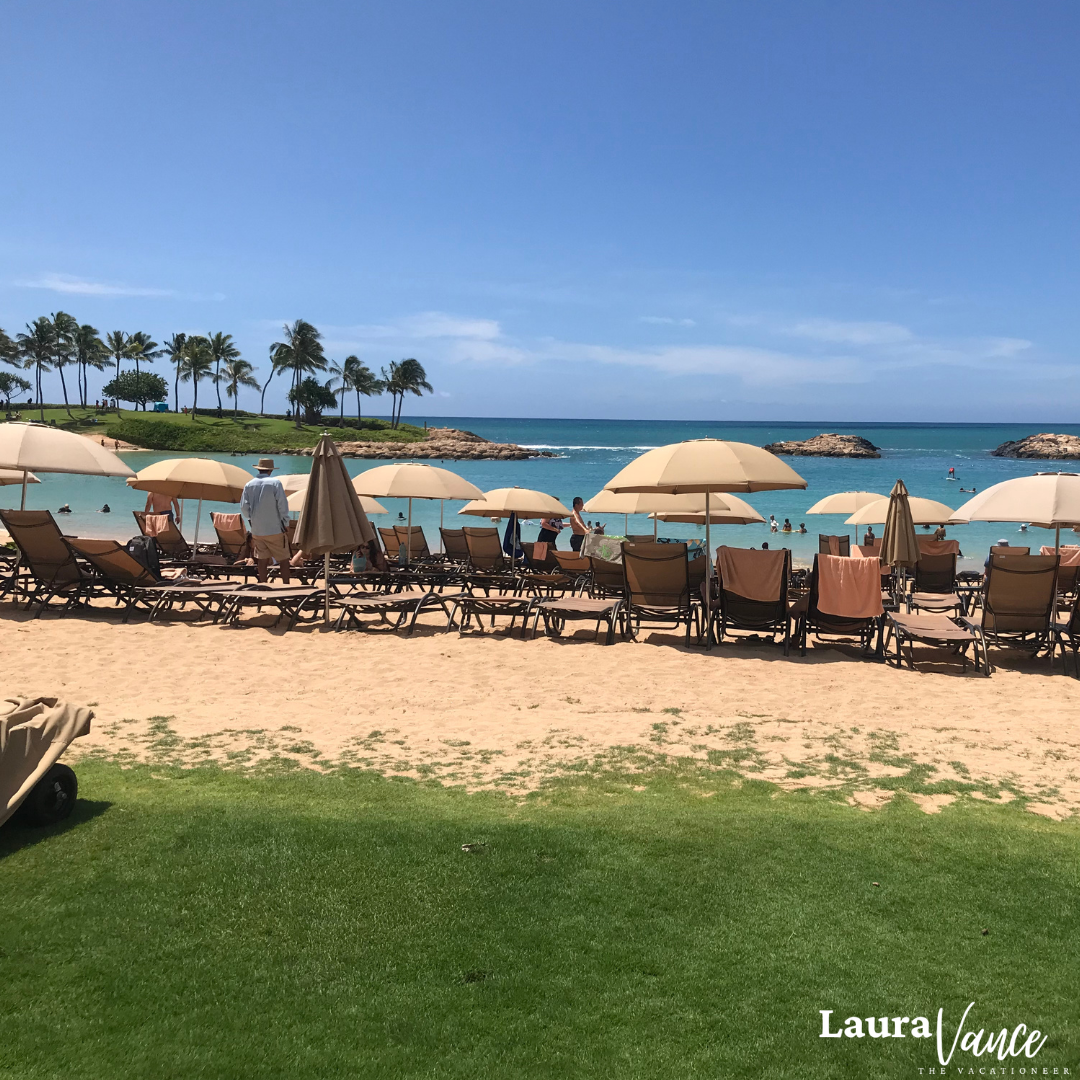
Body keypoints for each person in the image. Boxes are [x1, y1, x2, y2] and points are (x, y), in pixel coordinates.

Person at [240, 458, 291, 585]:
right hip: (274, 528)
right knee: (284, 559)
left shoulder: (249, 484)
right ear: (270, 470)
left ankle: (263, 585)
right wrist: (286, 522)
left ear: (258, 469)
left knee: (262, 559)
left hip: (257, 529)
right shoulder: (275, 483)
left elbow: (244, 508)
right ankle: (286, 585)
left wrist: (251, 519)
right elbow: (282, 505)